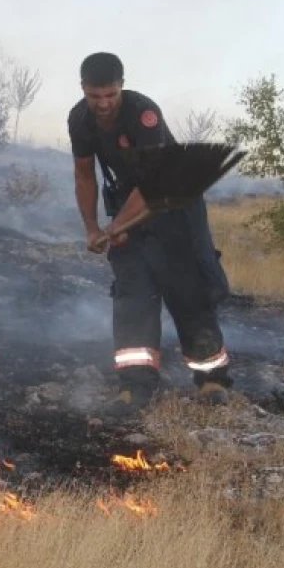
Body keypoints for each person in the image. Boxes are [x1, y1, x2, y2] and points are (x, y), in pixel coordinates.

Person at [67, 52, 233, 414]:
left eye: (110, 94)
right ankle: (135, 387)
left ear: (121, 87)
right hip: (128, 207)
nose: (104, 103)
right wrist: (92, 227)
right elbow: (83, 174)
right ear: (83, 90)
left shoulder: (144, 114)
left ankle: (212, 380)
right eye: (95, 96)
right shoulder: (79, 119)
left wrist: (114, 227)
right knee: (132, 293)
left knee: (189, 289)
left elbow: (151, 187)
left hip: (174, 205)